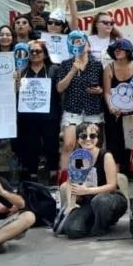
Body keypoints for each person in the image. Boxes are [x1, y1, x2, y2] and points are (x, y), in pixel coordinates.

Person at [58, 123, 127, 239]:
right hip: (87, 200)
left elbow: (112, 186)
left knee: (100, 200)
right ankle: (90, 221)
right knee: (72, 231)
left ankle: (101, 227)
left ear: (97, 138)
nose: (88, 139)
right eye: (83, 136)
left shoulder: (106, 155)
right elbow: (70, 183)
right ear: (78, 139)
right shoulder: (76, 157)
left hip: (110, 198)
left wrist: (87, 190)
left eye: (92, 136)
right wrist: (71, 203)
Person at [55, 36, 104, 171]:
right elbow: (59, 88)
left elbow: (104, 87)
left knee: (92, 145)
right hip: (72, 109)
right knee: (68, 144)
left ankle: (92, 176)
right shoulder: (66, 64)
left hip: (92, 110)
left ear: (89, 47)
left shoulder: (97, 65)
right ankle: (64, 178)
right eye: (76, 42)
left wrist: (99, 90)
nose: (80, 45)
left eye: (83, 42)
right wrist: (72, 70)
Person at [14, 40, 61, 183]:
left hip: (50, 115)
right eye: (31, 51)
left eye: (38, 51)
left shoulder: (54, 69)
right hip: (27, 116)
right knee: (30, 145)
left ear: (45, 54)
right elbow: (14, 93)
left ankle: (53, 173)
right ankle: (32, 175)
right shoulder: (21, 70)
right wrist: (15, 84)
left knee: (51, 144)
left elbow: (59, 91)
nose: (34, 54)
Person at [103, 39, 133, 173]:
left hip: (130, 110)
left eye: (120, 48)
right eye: (115, 49)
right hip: (113, 111)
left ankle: (129, 170)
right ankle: (115, 171)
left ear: (128, 51)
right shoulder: (109, 68)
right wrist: (111, 107)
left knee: (130, 139)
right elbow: (107, 92)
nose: (117, 51)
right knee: (114, 140)